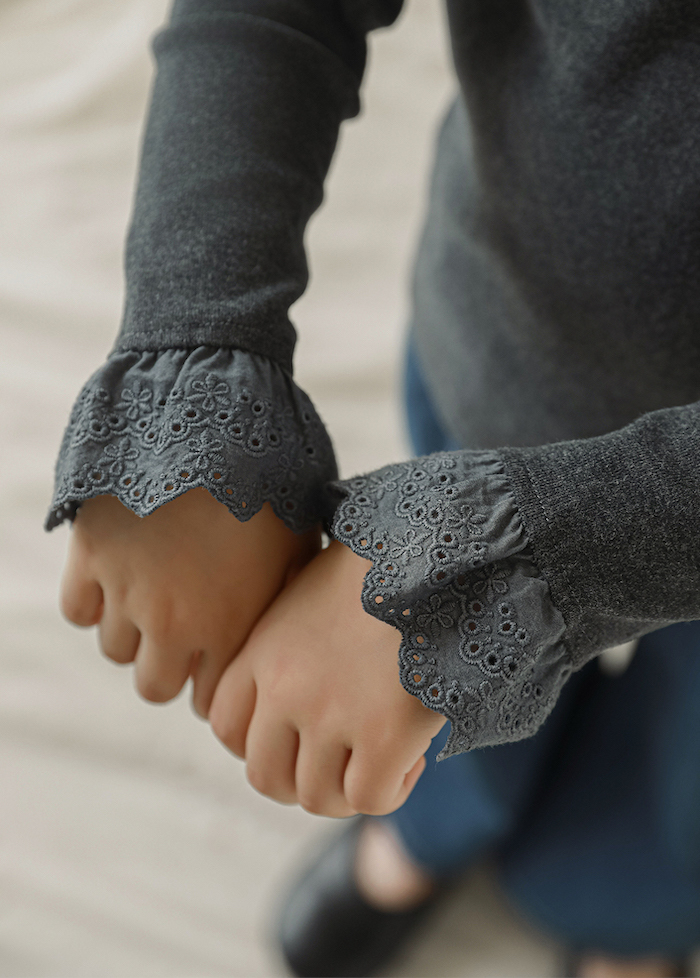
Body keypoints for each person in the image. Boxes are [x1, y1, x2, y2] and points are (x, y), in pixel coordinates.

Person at [48, 1, 700, 975]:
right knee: (421, 697)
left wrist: (495, 572)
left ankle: (623, 919)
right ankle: (426, 832)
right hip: (502, 350)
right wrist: (198, 340)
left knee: (687, 779)